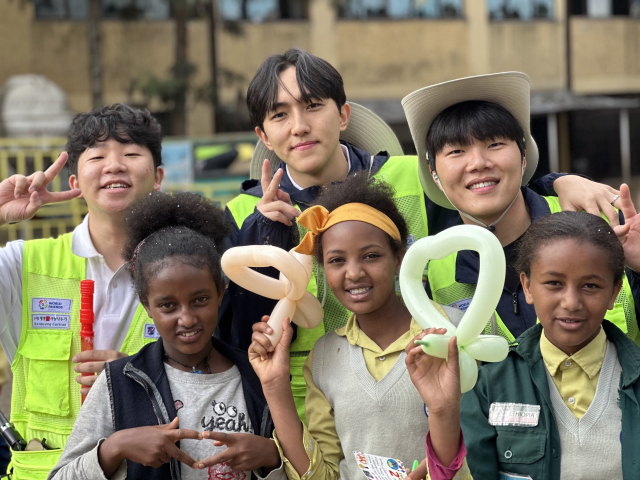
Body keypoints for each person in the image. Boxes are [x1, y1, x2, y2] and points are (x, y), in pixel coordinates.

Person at [220, 50, 616, 422]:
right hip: (307, 412)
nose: (299, 125)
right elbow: (240, 333)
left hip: (421, 397)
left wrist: (558, 182)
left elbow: (487, 197)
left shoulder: (411, 177)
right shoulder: (240, 214)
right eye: (279, 114)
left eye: (312, 106)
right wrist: (265, 231)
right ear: (264, 135)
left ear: (342, 115)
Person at [49, 191, 285, 480]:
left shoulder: (256, 376)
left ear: (221, 292)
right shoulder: (118, 382)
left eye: (200, 300)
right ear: (147, 306)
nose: (186, 318)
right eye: (168, 306)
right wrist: (115, 447)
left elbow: (306, 466)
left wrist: (273, 457)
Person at [248, 174, 468, 480]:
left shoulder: (454, 333)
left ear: (400, 259)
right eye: (337, 260)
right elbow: (322, 474)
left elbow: (483, 447)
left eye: (372, 256)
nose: (353, 273)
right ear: (323, 268)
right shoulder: (324, 356)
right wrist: (274, 387)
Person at [406, 197, 640, 479]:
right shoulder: (489, 384)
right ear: (527, 287)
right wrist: (443, 411)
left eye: (590, 285)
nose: (571, 302)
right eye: (554, 283)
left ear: (614, 292)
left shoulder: (633, 376)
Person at [401, 72, 640, 345]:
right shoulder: (437, 270)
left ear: (523, 157)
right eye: (456, 151)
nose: (478, 163)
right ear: (434, 175)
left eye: (495, 145)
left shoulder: (600, 222)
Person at [0, 104, 164, 477]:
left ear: (157, 176)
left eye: (131, 153)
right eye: (97, 155)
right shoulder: (22, 265)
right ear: (74, 182)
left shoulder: (186, 269)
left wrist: (140, 377)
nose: (114, 165)